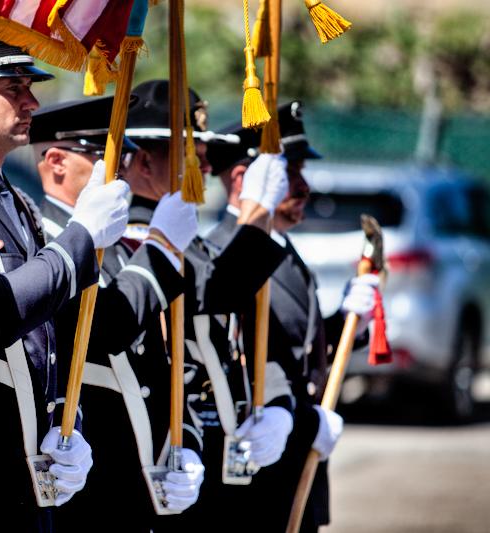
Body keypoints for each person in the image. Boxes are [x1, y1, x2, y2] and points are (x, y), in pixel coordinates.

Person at [0, 37, 130, 532]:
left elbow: (49, 333)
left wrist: (66, 424)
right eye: (14, 87)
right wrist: (81, 236)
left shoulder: (8, 195)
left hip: (28, 459)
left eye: (29, 87)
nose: (31, 101)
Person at [120, 79, 291, 529]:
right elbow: (214, 293)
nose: (199, 171)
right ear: (143, 161)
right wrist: (256, 214)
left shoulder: (182, 238)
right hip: (155, 453)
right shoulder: (134, 238)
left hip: (209, 446)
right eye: (188, 159)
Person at [30, 96, 203, 532]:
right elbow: (105, 329)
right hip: (91, 487)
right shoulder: (47, 243)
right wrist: (162, 248)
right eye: (108, 157)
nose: (123, 171)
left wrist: (188, 443)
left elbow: (162, 365)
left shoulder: (110, 243)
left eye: (124, 157)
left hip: (141, 481)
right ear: (56, 164)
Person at [205, 101, 378, 531]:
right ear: (245, 179)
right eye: (288, 174)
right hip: (255, 474)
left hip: (297, 466)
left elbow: (295, 342)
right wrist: (303, 424)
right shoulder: (226, 255)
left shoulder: (283, 248)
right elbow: (239, 361)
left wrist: (347, 325)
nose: (303, 188)